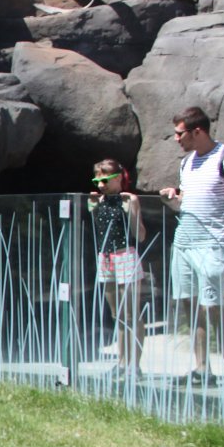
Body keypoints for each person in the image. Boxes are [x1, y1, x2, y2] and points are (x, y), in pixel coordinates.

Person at [158, 106, 224, 394]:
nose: (176, 139)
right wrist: (172, 199)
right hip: (184, 242)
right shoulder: (187, 163)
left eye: (179, 133)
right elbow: (186, 203)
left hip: (214, 244)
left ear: (197, 131)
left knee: (212, 307)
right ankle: (201, 369)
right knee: (190, 303)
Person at [88, 158, 146, 376]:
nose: (101, 185)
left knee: (131, 313)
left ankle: (134, 364)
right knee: (117, 314)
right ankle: (122, 361)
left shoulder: (129, 199)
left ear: (119, 178)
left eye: (106, 180)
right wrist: (93, 207)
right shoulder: (99, 200)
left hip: (126, 256)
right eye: (97, 180)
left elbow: (140, 235)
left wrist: (131, 209)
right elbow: (99, 230)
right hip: (105, 258)